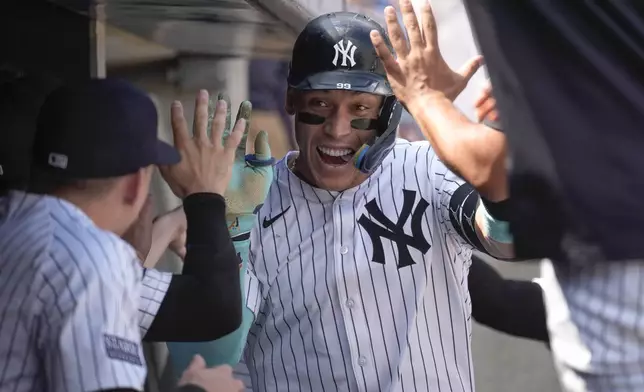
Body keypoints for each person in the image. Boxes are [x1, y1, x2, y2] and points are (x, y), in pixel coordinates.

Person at [169, 8, 520, 391]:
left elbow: (505, 239)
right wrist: (229, 228)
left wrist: (497, 139)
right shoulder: (251, 201)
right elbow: (206, 363)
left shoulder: (427, 169)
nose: (337, 129)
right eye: (320, 105)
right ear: (291, 101)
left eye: (360, 109)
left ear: (388, 112)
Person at [0, 78, 245, 392]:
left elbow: (209, 307)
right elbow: (215, 308)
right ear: (134, 186)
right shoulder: (92, 258)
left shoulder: (16, 223)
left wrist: (174, 222)